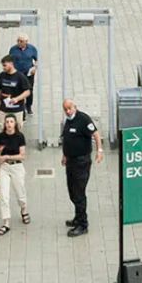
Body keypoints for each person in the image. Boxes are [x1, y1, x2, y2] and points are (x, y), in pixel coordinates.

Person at [59, 98, 103, 235]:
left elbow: (96, 134)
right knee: (72, 191)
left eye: (70, 108)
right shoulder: (68, 121)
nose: (68, 111)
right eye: (65, 109)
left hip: (81, 162)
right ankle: (78, 217)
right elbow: (67, 139)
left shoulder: (83, 119)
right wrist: (65, 155)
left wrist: (99, 150)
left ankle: (83, 225)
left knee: (79, 193)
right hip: (70, 161)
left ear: (75, 107)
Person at [0, 113, 29, 234]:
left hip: (17, 166)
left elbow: (22, 155)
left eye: (11, 122)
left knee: (20, 193)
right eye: (7, 122)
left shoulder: (19, 137)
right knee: (4, 195)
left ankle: (23, 209)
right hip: (4, 167)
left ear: (15, 124)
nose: (9, 124)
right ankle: (6, 222)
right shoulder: (1, 136)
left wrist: (7, 156)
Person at [0, 56, 30, 120]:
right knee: (2, 125)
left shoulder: (20, 77)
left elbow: (27, 92)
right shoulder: (2, 75)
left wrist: (17, 99)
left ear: (11, 64)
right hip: (3, 109)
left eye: (5, 65)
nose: (3, 68)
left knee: (17, 126)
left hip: (17, 109)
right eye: (3, 66)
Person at [9, 33, 39, 100]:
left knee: (29, 89)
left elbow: (37, 60)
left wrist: (35, 68)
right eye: (18, 41)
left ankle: (28, 105)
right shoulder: (13, 49)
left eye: (21, 41)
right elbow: (9, 60)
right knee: (17, 89)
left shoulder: (32, 49)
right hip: (17, 74)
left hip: (28, 74)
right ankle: (19, 103)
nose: (19, 43)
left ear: (26, 42)